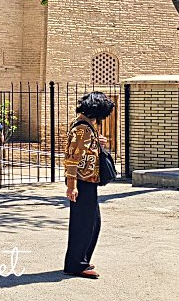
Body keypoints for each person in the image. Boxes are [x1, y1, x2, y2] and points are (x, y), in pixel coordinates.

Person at [63, 91, 116, 278]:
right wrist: (72, 185)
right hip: (82, 182)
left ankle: (79, 260)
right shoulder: (83, 128)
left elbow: (83, 149)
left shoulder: (85, 126)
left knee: (92, 223)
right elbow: (72, 158)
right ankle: (76, 264)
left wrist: (96, 141)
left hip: (86, 182)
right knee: (83, 224)